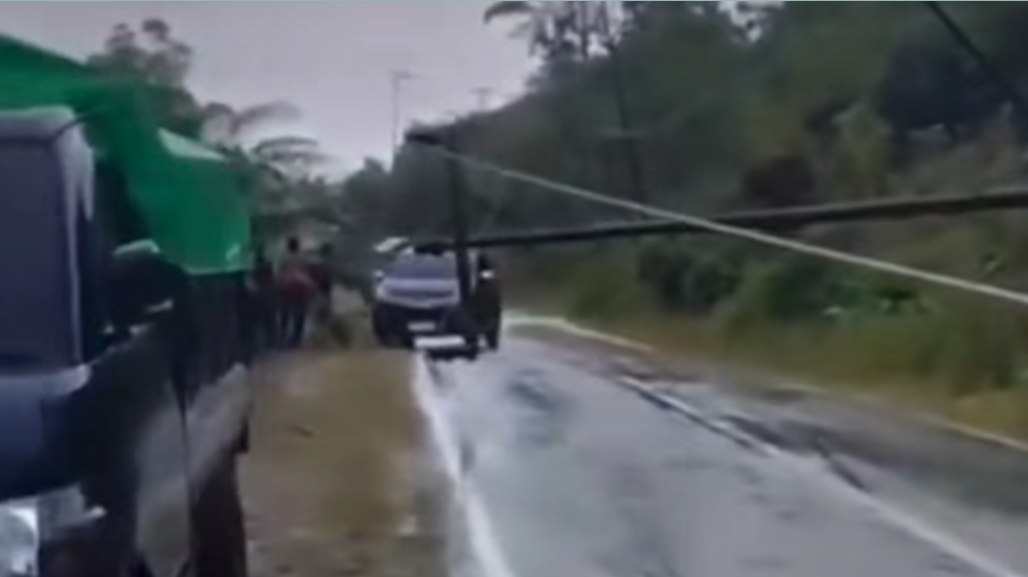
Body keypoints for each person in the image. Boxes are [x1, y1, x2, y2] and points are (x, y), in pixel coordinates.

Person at [275, 237, 316, 348]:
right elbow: (308, 273)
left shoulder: (283, 258)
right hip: (301, 288)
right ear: (298, 246)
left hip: (287, 287)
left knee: (285, 314)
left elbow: (279, 273)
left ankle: (282, 337)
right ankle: (296, 338)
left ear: (288, 247)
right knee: (299, 314)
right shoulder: (303, 258)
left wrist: (279, 284)